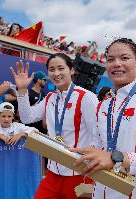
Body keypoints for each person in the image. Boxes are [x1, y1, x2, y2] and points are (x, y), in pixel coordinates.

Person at [72, 38, 136, 199]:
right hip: (102, 192)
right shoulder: (102, 105)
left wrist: (116, 159)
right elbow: (99, 148)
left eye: (124, 58)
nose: (116, 64)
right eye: (110, 59)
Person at [10, 53, 98, 199]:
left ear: (72, 70)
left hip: (78, 173)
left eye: (60, 68)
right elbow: (27, 117)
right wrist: (22, 90)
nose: (56, 73)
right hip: (53, 172)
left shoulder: (86, 97)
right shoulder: (50, 97)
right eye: (51, 69)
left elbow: (98, 134)